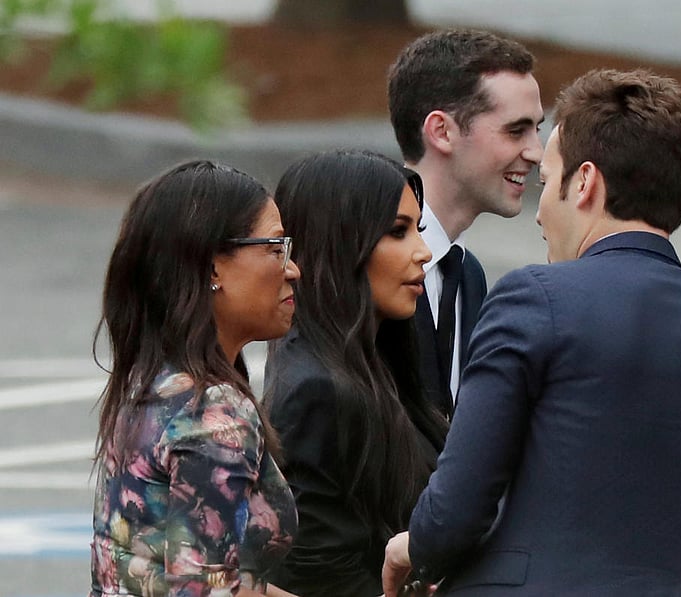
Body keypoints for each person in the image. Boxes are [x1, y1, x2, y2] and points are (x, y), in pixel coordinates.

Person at [382, 69, 681, 596]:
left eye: (547, 184)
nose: (540, 213)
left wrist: (409, 549)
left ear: (585, 182)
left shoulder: (536, 300)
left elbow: (457, 509)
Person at [90, 160, 302, 596]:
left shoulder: (152, 382)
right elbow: (205, 590)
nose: (292, 268)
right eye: (275, 247)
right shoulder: (213, 411)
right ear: (211, 268)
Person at [264, 150, 449, 597]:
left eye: (418, 230)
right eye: (398, 232)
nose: (423, 253)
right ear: (341, 243)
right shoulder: (317, 389)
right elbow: (318, 577)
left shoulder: (374, 359)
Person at [387, 29, 544, 417]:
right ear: (442, 131)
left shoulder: (468, 276)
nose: (536, 153)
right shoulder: (367, 263)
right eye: (515, 130)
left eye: (536, 129)